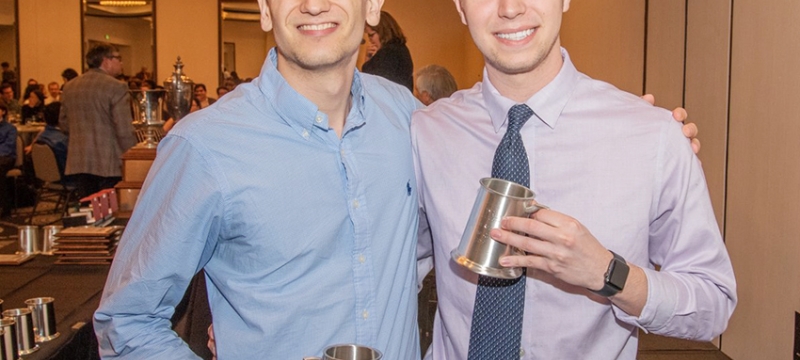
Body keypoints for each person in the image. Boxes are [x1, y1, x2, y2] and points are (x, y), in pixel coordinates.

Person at [93, 0, 422, 359]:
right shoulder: (205, 145)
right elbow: (128, 320)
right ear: (266, 10)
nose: (314, 5)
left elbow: (435, 241)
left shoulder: (405, 116)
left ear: (372, 6)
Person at [412, 0, 736, 359]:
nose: (510, 8)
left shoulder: (651, 136)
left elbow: (712, 302)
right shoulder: (426, 132)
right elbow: (393, 263)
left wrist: (607, 273)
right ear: (460, 7)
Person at [59, 43, 136, 199]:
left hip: (79, 159)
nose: (121, 63)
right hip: (109, 162)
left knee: (87, 209)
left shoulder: (70, 86)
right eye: (118, 58)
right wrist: (133, 156)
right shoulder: (116, 87)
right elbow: (123, 130)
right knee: (109, 211)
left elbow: (64, 124)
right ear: (106, 60)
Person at [361, 11, 414, 91]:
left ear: (383, 31)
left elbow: (370, 84)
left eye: (371, 35)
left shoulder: (389, 53)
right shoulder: (400, 49)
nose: (370, 40)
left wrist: (370, 61)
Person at [0, 102, 16, 218]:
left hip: (7, 157)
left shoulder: (10, 128)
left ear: (3, 111)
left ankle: (6, 206)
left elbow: (8, 147)